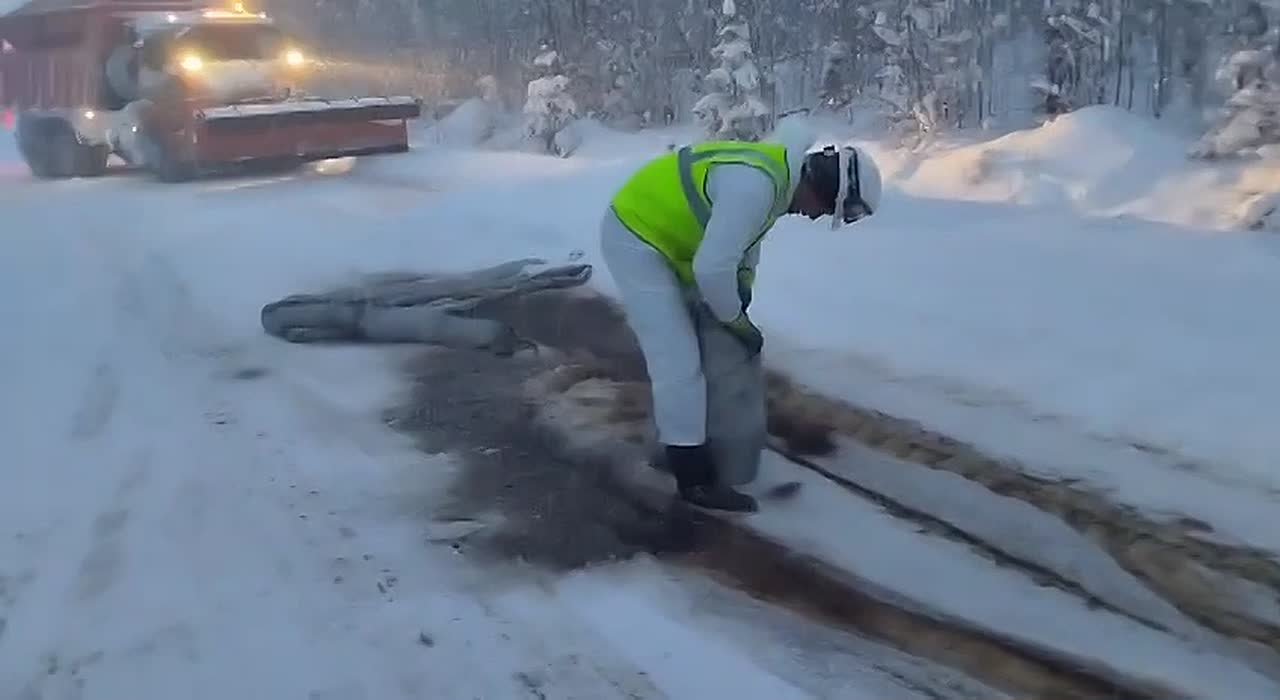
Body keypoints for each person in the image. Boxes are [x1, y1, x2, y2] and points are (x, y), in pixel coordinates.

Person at [599, 120, 883, 512]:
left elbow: (745, 243)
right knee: (677, 359)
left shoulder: (776, 176)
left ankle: (676, 437)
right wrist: (734, 319)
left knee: (699, 344)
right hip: (637, 236)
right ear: (821, 189)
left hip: (675, 240)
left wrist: (742, 291)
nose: (814, 217)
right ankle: (692, 478)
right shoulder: (757, 185)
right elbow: (712, 269)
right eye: (824, 211)